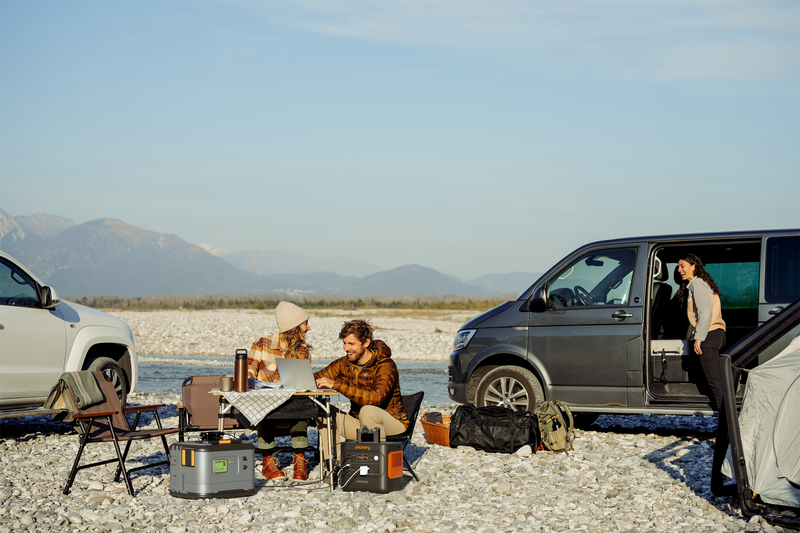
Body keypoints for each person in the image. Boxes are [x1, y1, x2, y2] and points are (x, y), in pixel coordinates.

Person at [314, 319, 409, 463]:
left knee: (368, 410)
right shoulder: (343, 363)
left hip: (392, 424)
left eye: (351, 344)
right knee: (323, 410)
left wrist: (336, 384)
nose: (346, 348)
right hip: (360, 424)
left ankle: (372, 465)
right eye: (344, 343)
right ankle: (335, 463)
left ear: (365, 343)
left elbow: (375, 399)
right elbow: (317, 377)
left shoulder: (386, 365)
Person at [248, 301, 312, 481]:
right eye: (305, 323)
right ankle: (268, 462)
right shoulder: (262, 344)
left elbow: (303, 382)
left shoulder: (303, 351)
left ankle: (300, 460)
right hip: (265, 406)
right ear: (294, 326)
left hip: (291, 406)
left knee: (301, 401)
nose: (309, 328)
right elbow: (248, 374)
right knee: (267, 402)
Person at [677, 253, 727, 410]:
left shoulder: (697, 284)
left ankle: (728, 428)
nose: (679, 270)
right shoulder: (701, 283)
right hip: (716, 333)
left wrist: (698, 338)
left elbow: (705, 312)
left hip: (708, 335)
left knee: (716, 384)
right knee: (718, 382)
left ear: (694, 267)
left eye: (682, 266)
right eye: (678, 267)